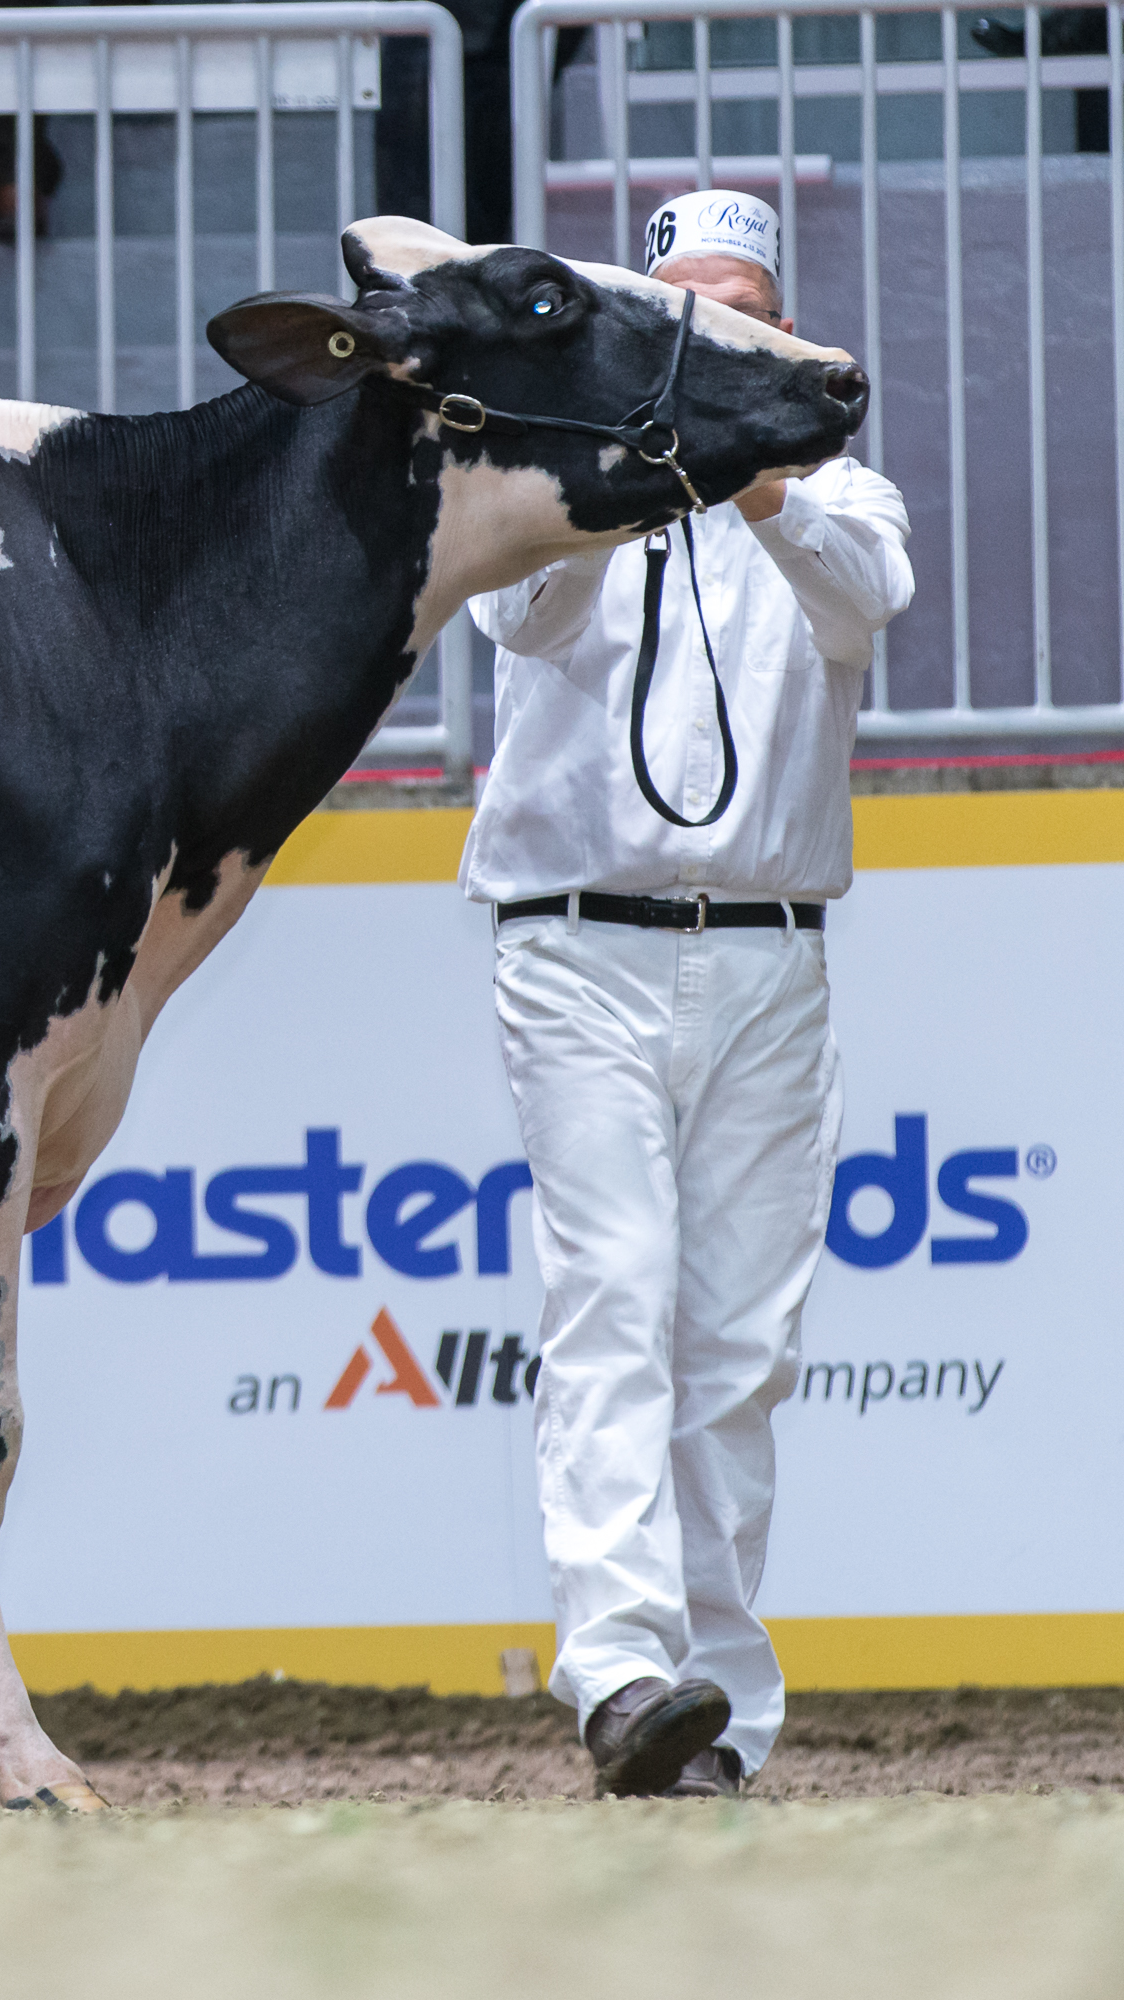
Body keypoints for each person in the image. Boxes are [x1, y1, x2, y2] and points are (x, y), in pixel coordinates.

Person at [459, 190, 915, 1799]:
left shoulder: (839, 490)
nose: (717, 337)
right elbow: (521, 618)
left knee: (735, 1346)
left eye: (745, 314)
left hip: (770, 953)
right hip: (573, 945)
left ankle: (710, 1716)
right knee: (613, 1294)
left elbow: (864, 602)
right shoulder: (560, 485)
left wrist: (754, 475)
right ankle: (620, 1675)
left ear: (781, 335)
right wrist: (620, 475)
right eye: (686, 313)